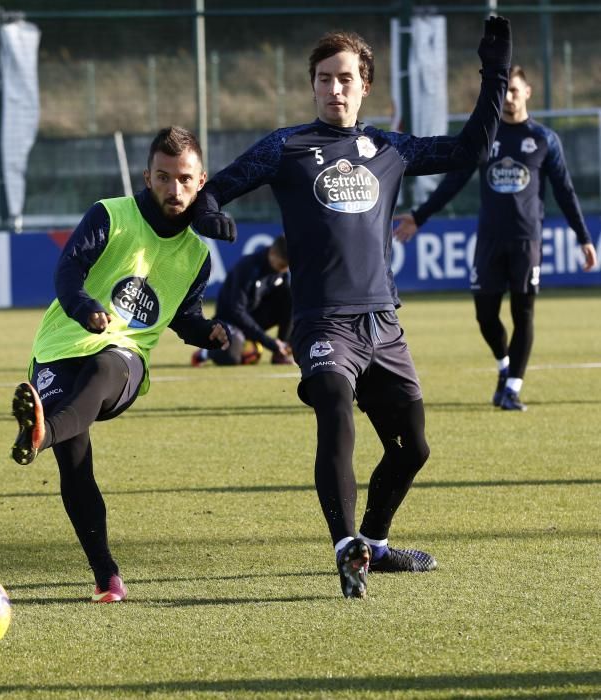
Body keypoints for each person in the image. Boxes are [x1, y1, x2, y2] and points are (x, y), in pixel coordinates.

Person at [190, 18, 512, 598]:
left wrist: (493, 74)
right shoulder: (284, 147)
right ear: (312, 86)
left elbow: (473, 148)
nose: (333, 89)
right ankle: (345, 547)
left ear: (365, 85)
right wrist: (210, 212)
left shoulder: (388, 147)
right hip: (321, 321)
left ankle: (376, 544)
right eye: (323, 79)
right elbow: (215, 186)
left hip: (383, 322)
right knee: (334, 408)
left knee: (412, 448)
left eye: (344, 79)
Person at [10, 125, 229, 603]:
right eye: (164, 177)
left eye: (185, 179)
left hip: (123, 363)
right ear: (147, 177)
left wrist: (208, 332)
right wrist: (86, 307)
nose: (175, 189)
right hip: (59, 347)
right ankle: (106, 576)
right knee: (76, 466)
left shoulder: (196, 255)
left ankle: (40, 433)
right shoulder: (109, 214)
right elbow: (68, 271)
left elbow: (184, 317)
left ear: (201, 181)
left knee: (109, 363)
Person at [392, 65, 598, 411]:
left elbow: (565, 191)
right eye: (505, 92)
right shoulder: (486, 138)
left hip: (526, 240)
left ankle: (512, 388)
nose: (509, 97)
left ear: (528, 92)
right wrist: (419, 216)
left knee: (524, 312)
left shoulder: (545, 139)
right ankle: (505, 365)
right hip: (489, 240)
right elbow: (454, 181)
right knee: (485, 315)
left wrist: (583, 237)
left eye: (515, 90)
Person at [192, 236, 293, 366]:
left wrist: (289, 343)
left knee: (291, 298)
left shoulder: (281, 272)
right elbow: (236, 310)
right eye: (281, 265)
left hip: (252, 319)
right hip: (230, 321)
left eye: (286, 267)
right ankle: (204, 353)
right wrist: (268, 342)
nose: (282, 270)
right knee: (231, 359)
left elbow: (286, 304)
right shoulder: (248, 267)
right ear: (272, 253)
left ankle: (280, 353)